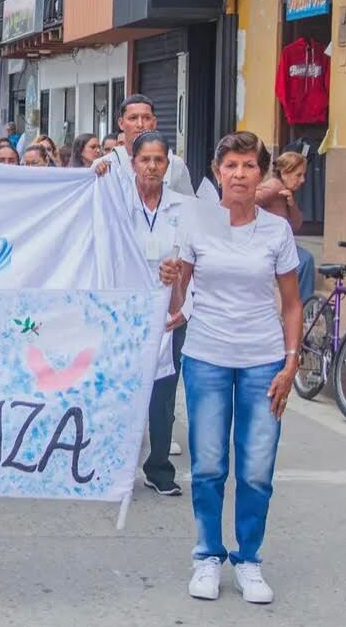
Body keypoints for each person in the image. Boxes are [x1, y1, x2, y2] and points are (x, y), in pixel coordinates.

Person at [158, 131, 302, 605]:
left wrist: (290, 361)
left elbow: (291, 304)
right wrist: (174, 280)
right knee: (209, 465)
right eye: (230, 166)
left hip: (263, 361)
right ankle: (207, 555)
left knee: (257, 468)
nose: (239, 174)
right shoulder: (197, 224)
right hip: (207, 356)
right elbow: (182, 302)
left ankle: (249, 560)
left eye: (249, 166)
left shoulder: (277, 231)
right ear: (218, 172)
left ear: (262, 174)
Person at [127, 131, 189, 498]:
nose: (152, 166)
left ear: (168, 165)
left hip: (170, 308)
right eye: (145, 159)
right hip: (126, 309)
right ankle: (114, 464)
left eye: (159, 160)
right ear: (133, 163)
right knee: (122, 388)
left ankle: (159, 467)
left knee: (163, 393)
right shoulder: (117, 203)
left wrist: (181, 292)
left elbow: (197, 259)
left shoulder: (183, 208)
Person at [95, 95, 194, 198]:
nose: (140, 124)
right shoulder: (104, 166)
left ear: (154, 123)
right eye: (133, 118)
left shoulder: (175, 164)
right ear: (121, 123)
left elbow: (189, 207)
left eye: (146, 118)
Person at [256, 152, 315, 304]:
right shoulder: (274, 186)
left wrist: (291, 204)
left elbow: (296, 225)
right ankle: (300, 309)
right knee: (304, 261)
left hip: (280, 244)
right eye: (298, 175)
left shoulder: (285, 192)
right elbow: (248, 200)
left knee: (305, 260)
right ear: (284, 172)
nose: (302, 180)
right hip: (268, 245)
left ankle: (300, 308)